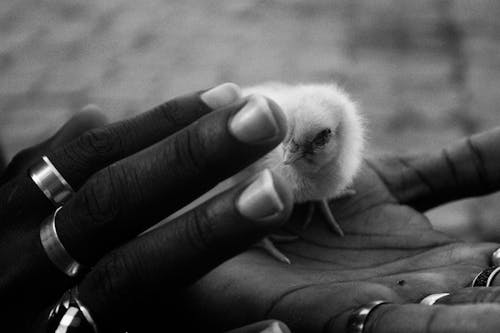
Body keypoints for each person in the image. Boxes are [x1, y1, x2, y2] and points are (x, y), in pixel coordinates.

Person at [1, 82, 500, 332]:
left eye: (313, 144)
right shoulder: (290, 142)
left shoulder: (328, 137)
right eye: (292, 144)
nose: (293, 153)